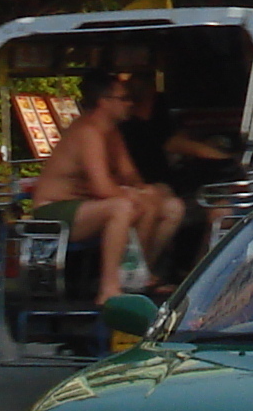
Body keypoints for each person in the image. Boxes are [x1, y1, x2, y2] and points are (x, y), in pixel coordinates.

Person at [26, 70, 165, 298]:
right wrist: (130, 194)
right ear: (104, 102)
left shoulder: (111, 132)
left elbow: (129, 173)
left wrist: (141, 190)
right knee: (121, 208)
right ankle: (108, 288)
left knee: (160, 204)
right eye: (123, 98)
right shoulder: (88, 131)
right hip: (53, 211)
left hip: (84, 206)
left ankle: (137, 277)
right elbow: (102, 188)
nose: (130, 103)